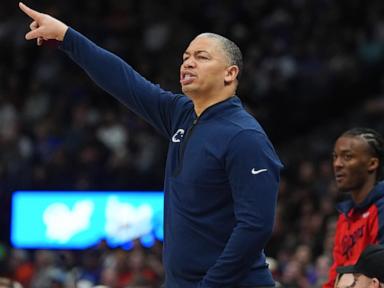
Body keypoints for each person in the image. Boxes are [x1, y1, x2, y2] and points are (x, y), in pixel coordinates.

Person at [18, 2, 283, 288]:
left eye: (201, 57)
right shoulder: (181, 114)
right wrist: (67, 37)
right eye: (185, 56)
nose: (188, 63)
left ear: (230, 74)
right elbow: (125, 81)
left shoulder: (245, 137)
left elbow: (255, 227)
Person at [323, 128, 384, 288]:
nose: (337, 164)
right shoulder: (346, 214)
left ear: (372, 163)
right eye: (335, 157)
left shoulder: (381, 207)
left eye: (347, 157)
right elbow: (337, 270)